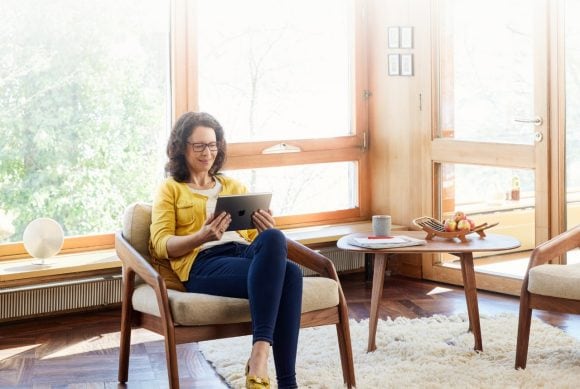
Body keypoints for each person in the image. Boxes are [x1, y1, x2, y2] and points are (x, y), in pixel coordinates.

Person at [149, 111, 303, 389]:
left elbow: (250, 240)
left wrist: (263, 227)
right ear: (181, 147)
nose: (207, 152)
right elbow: (161, 246)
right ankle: (277, 374)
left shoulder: (233, 186)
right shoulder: (170, 189)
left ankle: (260, 356)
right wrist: (201, 236)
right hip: (202, 263)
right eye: (199, 145)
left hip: (241, 254)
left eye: (212, 145)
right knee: (290, 275)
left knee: (274, 237)